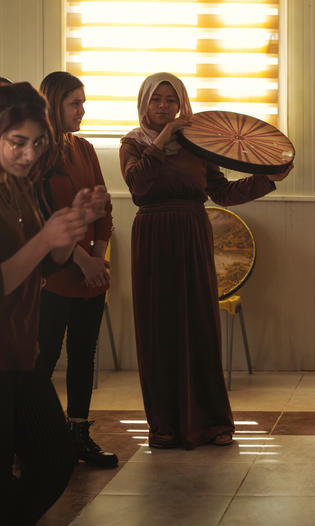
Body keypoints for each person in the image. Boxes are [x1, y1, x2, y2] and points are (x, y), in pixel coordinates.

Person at [120, 72, 290, 450]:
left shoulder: (198, 143)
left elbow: (223, 192)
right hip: (152, 235)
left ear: (182, 104)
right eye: (156, 99)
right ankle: (163, 425)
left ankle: (213, 423)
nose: (164, 106)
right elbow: (138, 187)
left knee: (200, 324)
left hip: (193, 232)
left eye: (171, 99)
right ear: (144, 103)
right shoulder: (132, 143)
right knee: (158, 326)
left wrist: (268, 178)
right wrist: (161, 141)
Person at [0, 81, 109, 525]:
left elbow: (46, 266)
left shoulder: (21, 191)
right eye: (17, 144)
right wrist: (48, 238)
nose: (28, 155)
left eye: (37, 144)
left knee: (55, 458)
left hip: (19, 355)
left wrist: (74, 225)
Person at [35, 72, 117, 468]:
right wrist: (81, 259)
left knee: (84, 356)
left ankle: (78, 435)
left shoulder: (84, 148)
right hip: (55, 275)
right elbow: (41, 221)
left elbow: (104, 206)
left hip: (91, 275)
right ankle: (29, 438)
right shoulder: (35, 154)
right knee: (44, 358)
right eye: (75, 103)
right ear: (53, 104)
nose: (83, 110)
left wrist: (98, 256)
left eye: (83, 102)